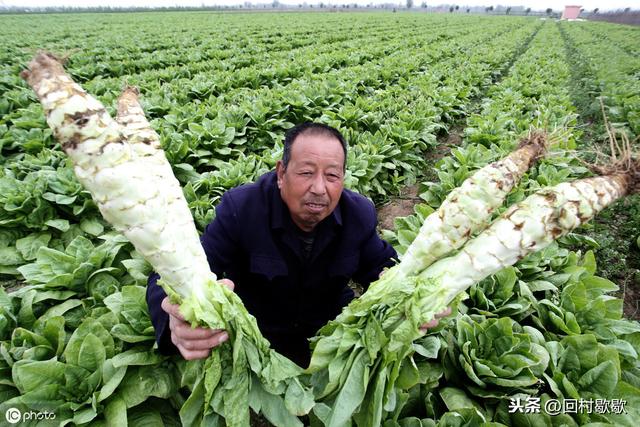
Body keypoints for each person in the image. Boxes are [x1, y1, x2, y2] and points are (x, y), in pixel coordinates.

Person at [146, 122, 449, 367]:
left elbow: (383, 267)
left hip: (327, 335)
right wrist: (173, 319)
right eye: (306, 173)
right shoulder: (242, 209)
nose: (319, 188)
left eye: (332, 175)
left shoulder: (358, 214)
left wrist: (415, 293)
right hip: (259, 338)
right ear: (281, 173)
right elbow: (179, 270)